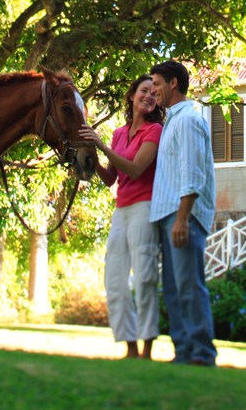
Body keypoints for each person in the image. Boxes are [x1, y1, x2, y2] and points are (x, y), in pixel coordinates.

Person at [79, 75, 164, 359]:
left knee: (145, 276)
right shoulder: (119, 133)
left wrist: (101, 146)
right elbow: (110, 178)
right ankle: (129, 346)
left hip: (144, 207)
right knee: (114, 278)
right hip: (121, 209)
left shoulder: (154, 131)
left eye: (154, 93)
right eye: (144, 91)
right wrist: (91, 156)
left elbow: (136, 169)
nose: (149, 96)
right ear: (131, 95)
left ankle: (147, 347)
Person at [148, 60, 217, 366]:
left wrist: (181, 218)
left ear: (174, 83)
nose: (153, 92)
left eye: (157, 85)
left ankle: (202, 353)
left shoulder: (188, 120)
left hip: (182, 216)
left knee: (189, 287)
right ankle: (185, 352)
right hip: (168, 216)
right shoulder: (171, 122)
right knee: (174, 291)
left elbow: (192, 174)